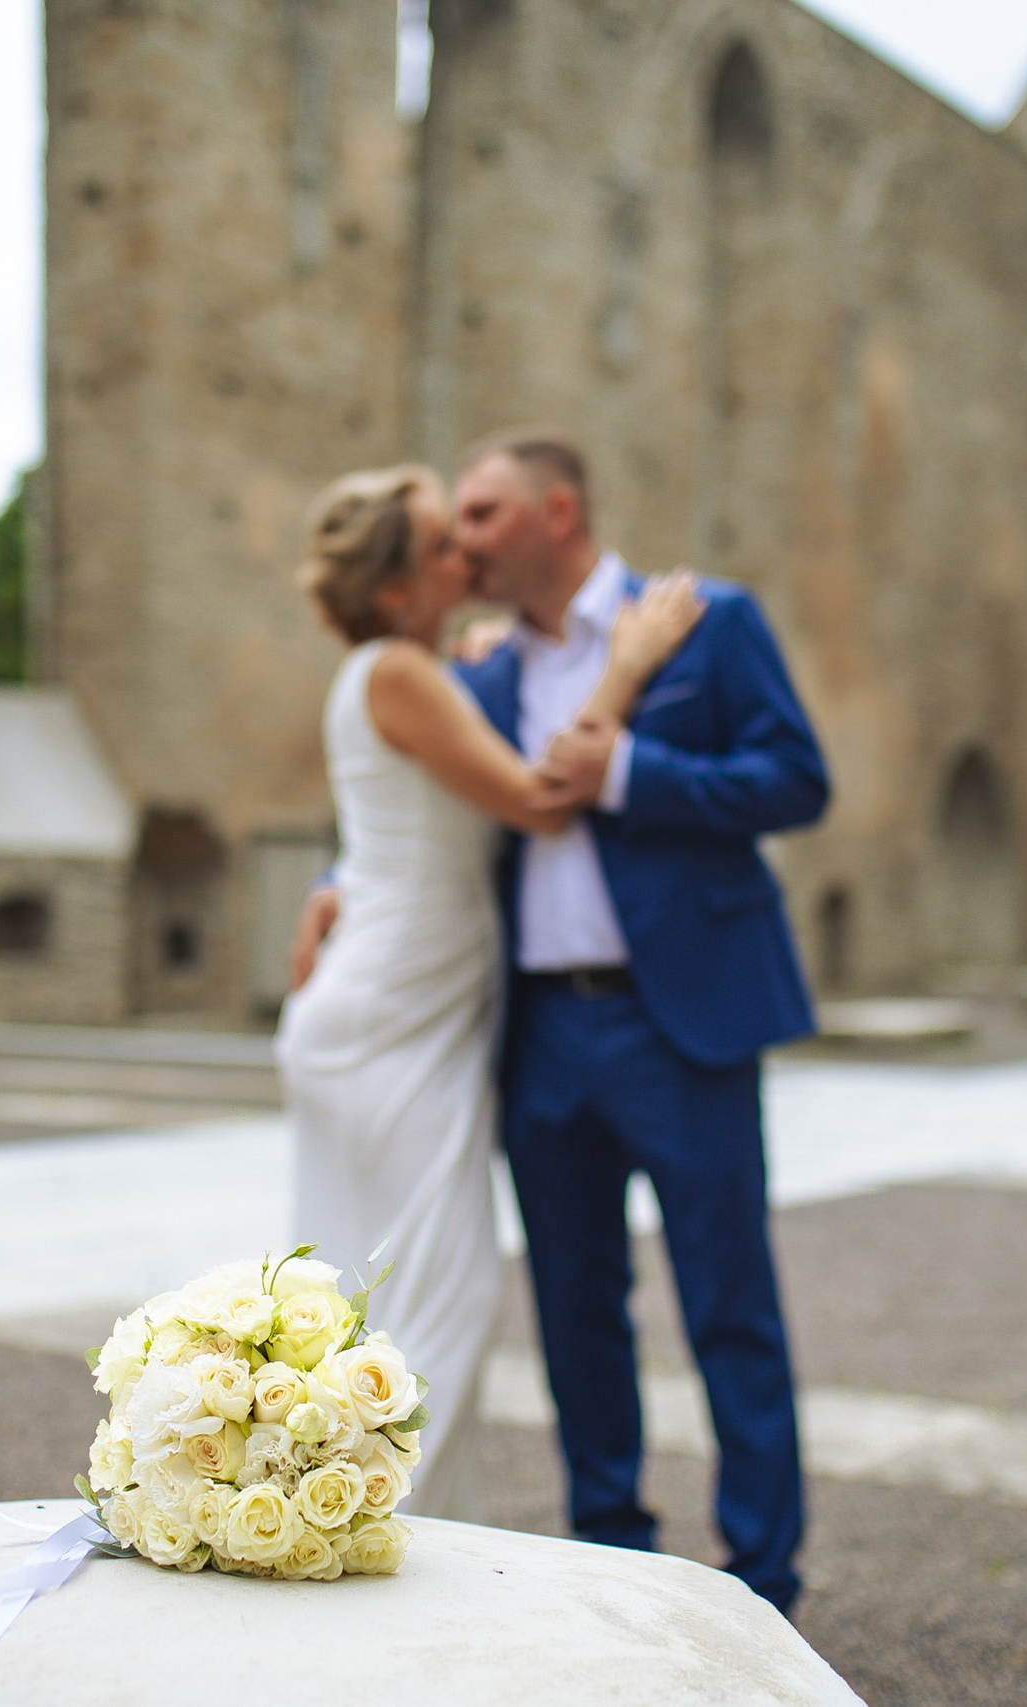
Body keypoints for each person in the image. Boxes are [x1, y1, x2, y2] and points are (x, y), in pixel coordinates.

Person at [296, 430, 831, 1612]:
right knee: (575, 1318)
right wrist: (334, 885)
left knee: (728, 1304)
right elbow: (420, 798)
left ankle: (763, 1580)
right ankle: (612, 1563)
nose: (465, 537)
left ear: (559, 512)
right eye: (452, 525)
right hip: (539, 1037)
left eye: (482, 513)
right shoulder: (478, 673)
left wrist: (630, 770)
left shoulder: (703, 624)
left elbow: (795, 779)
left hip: (680, 1023)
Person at [276, 462, 703, 1523]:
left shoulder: (413, 672)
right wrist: (626, 668)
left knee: (380, 1306)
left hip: (402, 1011)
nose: (464, 555)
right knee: (440, 1301)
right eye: (440, 545)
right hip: (390, 1021)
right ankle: (376, 1537)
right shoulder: (400, 674)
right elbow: (540, 802)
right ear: (394, 588)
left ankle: (365, 1532)